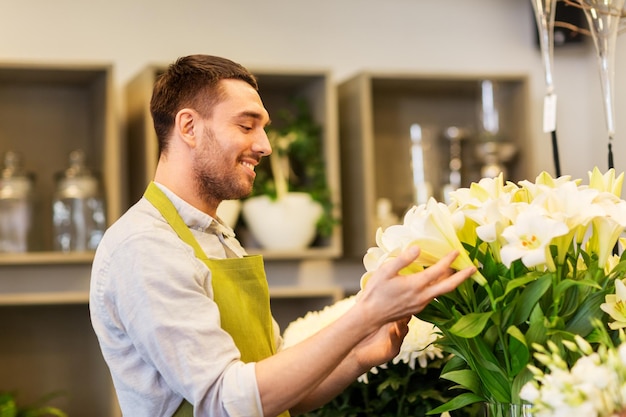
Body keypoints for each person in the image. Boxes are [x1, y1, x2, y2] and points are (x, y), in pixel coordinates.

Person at [89, 54, 476, 417]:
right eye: (246, 125)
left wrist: (359, 357)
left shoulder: (220, 237)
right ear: (188, 127)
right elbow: (226, 401)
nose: (265, 146)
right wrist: (365, 314)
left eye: (263, 128)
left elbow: (272, 392)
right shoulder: (145, 246)